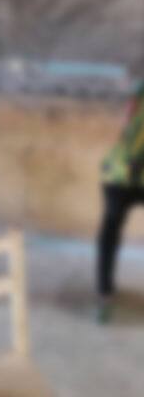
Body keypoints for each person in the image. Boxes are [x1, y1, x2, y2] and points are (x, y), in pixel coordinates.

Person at [97, 80, 144, 322]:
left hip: (123, 170)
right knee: (110, 231)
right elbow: (128, 123)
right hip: (123, 172)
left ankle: (105, 296)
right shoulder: (139, 92)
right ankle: (105, 295)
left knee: (110, 231)